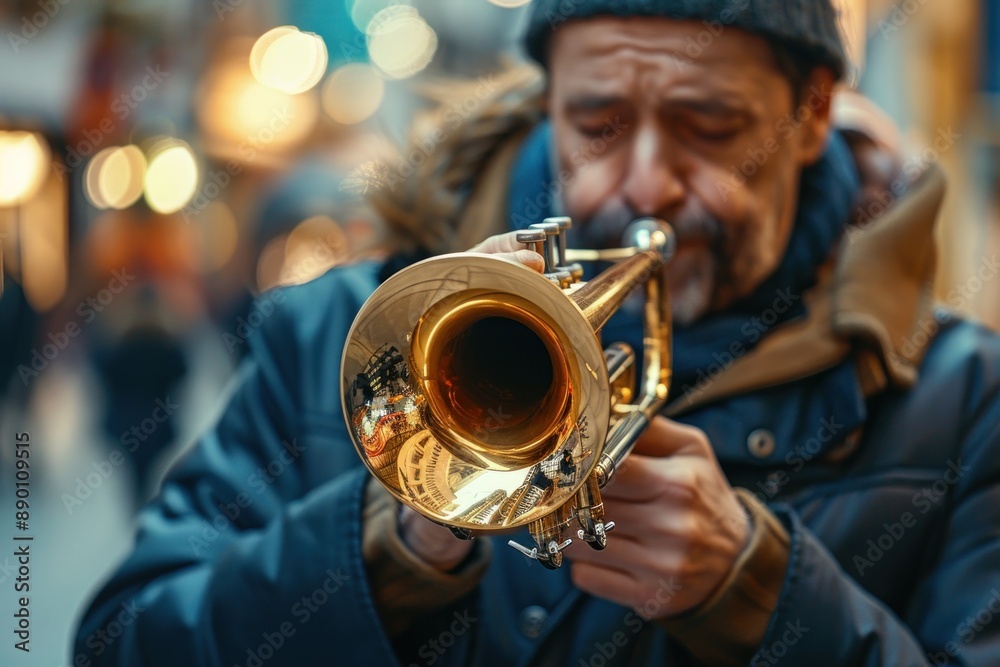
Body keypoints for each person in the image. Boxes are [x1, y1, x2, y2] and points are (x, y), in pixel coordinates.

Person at [76, 1, 1000, 665]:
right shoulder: (336, 334)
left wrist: (765, 593)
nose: (646, 186)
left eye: (710, 127)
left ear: (807, 117)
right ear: (547, 100)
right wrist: (383, 550)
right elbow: (122, 640)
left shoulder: (965, 400)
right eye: (597, 124)